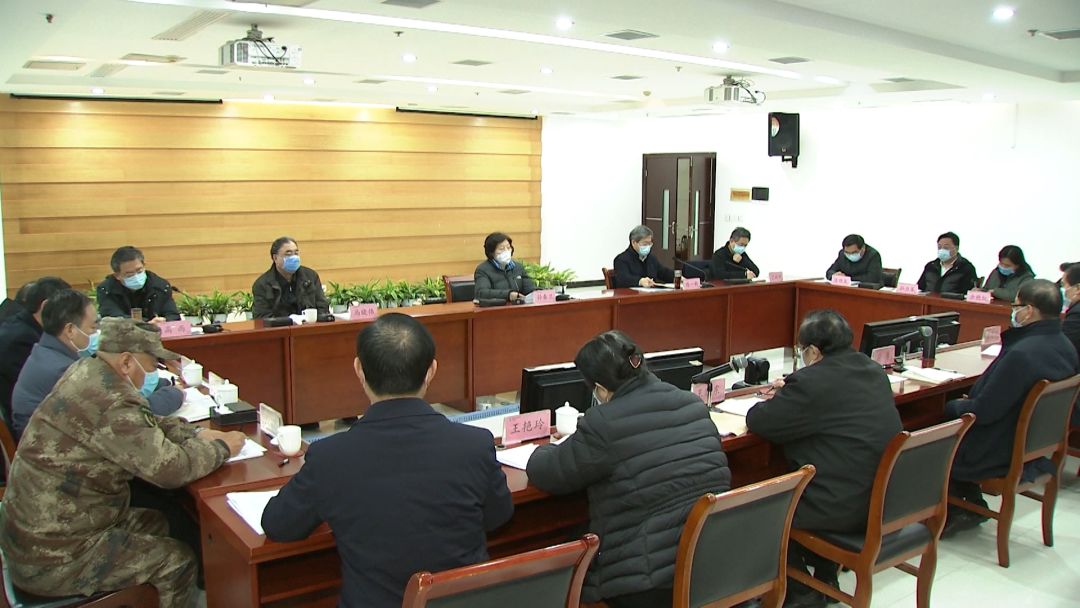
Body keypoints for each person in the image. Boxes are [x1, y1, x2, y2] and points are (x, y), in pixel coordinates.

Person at [262, 313, 513, 607]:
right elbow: (499, 516)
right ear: (431, 370)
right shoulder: (475, 444)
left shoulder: (330, 456)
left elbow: (279, 525)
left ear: (359, 369)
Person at [0, 318, 245, 606]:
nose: (153, 372)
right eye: (152, 364)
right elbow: (171, 469)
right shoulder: (112, 399)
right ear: (127, 362)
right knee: (177, 561)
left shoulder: (89, 371)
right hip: (54, 558)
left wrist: (193, 433)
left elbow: (142, 422)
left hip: (45, 531)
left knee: (163, 522)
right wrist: (221, 448)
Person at [527, 330, 731, 608]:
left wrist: (543, 448)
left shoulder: (604, 423)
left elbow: (547, 472)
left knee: (557, 552)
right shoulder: (692, 403)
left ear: (600, 389)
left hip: (648, 584)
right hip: (712, 565)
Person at [746, 310, 901, 608]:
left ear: (814, 351)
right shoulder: (872, 370)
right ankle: (826, 577)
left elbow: (760, 421)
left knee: (761, 503)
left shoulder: (811, 383)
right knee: (828, 465)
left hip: (841, 507)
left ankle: (800, 591)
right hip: (882, 499)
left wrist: (784, 395)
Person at [942, 280, 1079, 537]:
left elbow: (983, 412)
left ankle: (956, 508)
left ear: (1029, 311)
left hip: (999, 448)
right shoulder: (1064, 345)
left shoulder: (1023, 353)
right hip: (1033, 445)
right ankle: (968, 503)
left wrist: (954, 405)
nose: (1012, 312)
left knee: (933, 428)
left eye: (1015, 306)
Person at [12, 289, 183, 438]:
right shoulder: (63, 371)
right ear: (70, 330)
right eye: (93, 328)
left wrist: (160, 383)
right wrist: (174, 394)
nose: (97, 334)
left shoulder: (48, 352)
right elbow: (126, 418)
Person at [0, 277, 70, 431]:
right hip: (28, 427)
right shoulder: (21, 338)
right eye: (67, 309)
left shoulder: (22, 324)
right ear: (45, 306)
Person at [252, 236, 330, 319]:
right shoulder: (262, 284)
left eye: (296, 253)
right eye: (288, 254)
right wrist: (290, 321)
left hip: (308, 325)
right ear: (275, 258)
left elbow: (323, 308)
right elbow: (262, 317)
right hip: (281, 326)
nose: (294, 258)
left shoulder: (310, 276)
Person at [96, 246, 180, 322]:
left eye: (139, 271)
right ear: (117, 275)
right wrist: (146, 325)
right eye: (129, 274)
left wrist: (164, 320)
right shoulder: (106, 290)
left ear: (144, 266)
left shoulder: (160, 286)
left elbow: (173, 315)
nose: (136, 276)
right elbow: (112, 318)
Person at [474, 232, 536, 303]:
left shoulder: (518, 267)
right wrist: (508, 294)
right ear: (491, 252)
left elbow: (529, 288)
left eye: (508, 248)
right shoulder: (483, 270)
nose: (506, 251)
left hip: (518, 306)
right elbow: (482, 293)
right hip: (497, 308)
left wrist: (539, 292)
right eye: (501, 249)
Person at [1062, 264, 1080, 357]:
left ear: (1078, 289)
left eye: (1064, 284)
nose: (1063, 289)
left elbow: (1064, 345)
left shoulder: (1076, 314)